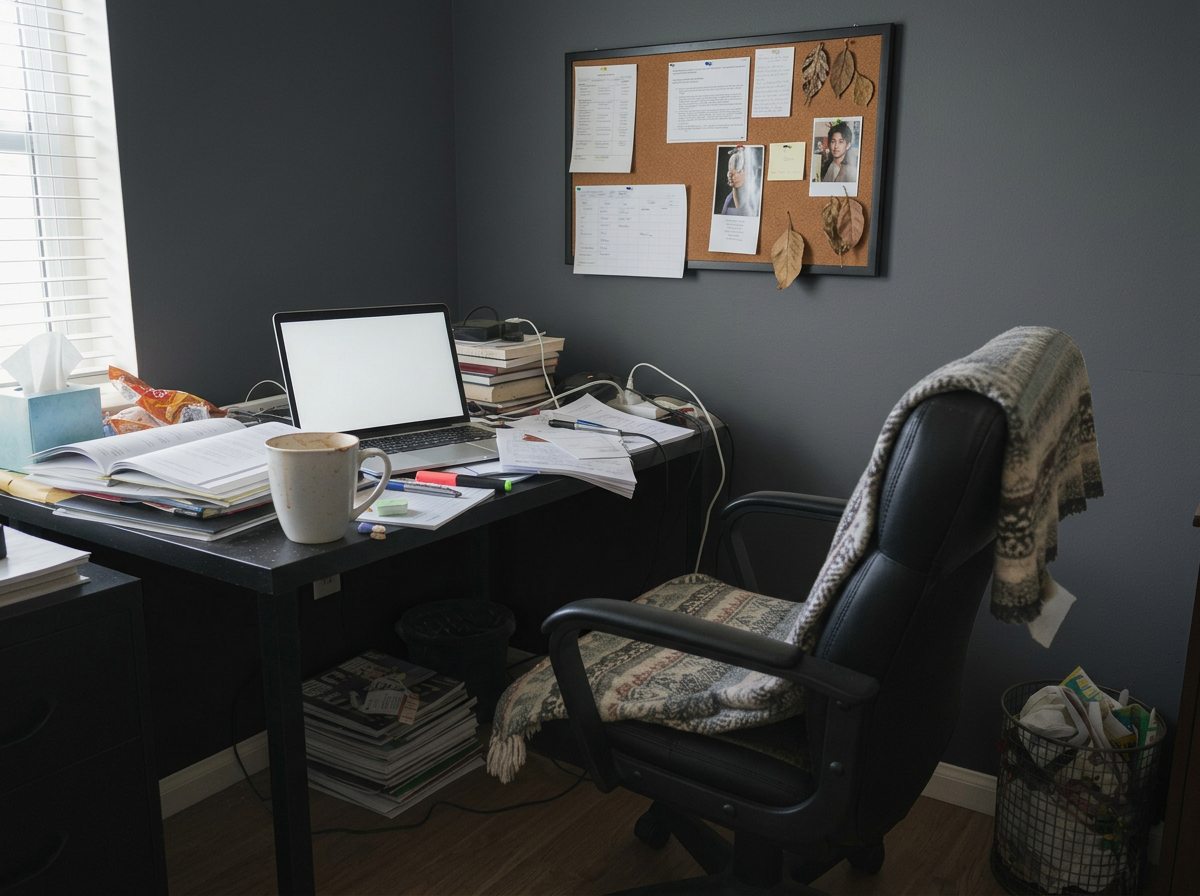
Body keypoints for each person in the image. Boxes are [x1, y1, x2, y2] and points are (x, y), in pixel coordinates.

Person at [719, 146, 761, 216]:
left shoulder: (756, 197)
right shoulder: (729, 199)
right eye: (730, 167)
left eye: (737, 167)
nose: (731, 173)